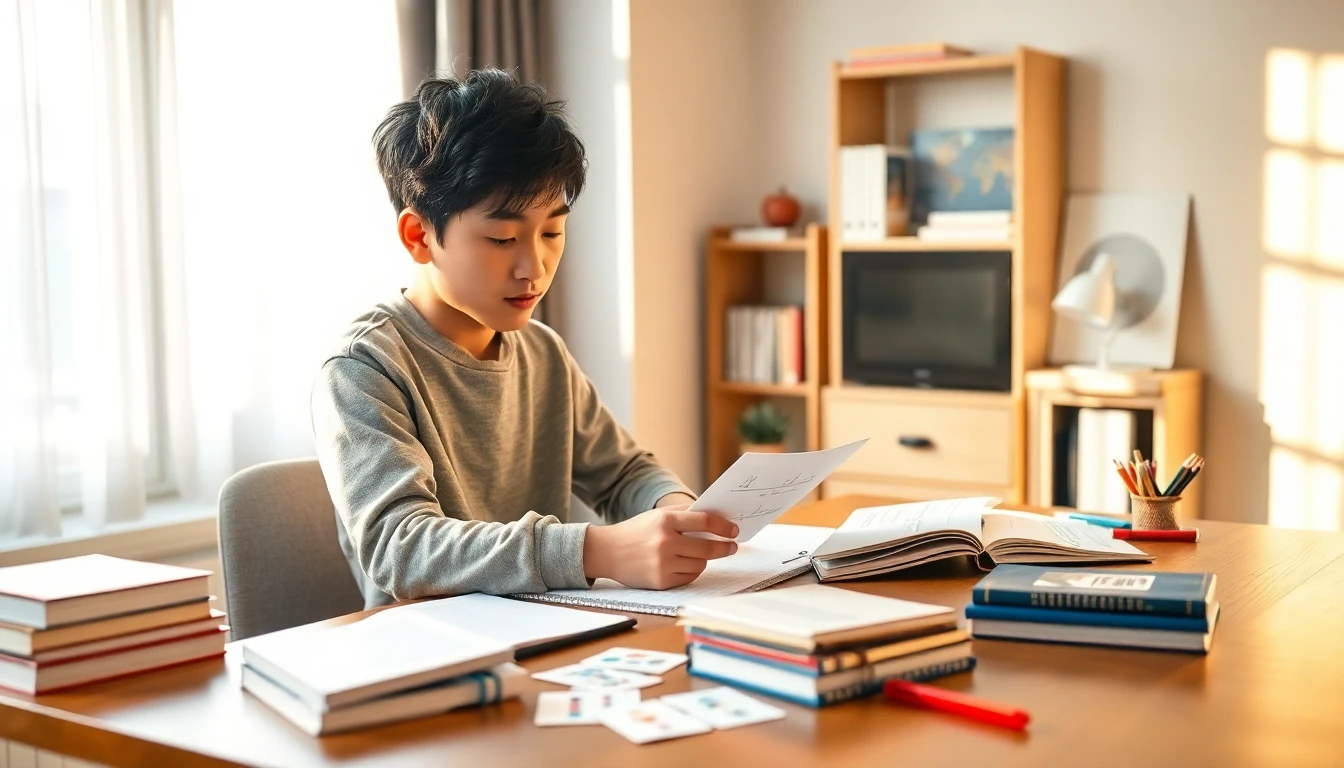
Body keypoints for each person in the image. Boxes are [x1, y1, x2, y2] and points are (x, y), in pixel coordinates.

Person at [311, 69, 737, 609]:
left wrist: (675, 510)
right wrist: (596, 551)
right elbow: (402, 549)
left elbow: (625, 472)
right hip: (430, 659)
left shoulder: (542, 352)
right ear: (419, 236)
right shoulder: (364, 369)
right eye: (503, 238)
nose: (533, 266)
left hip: (546, 637)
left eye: (552, 233)